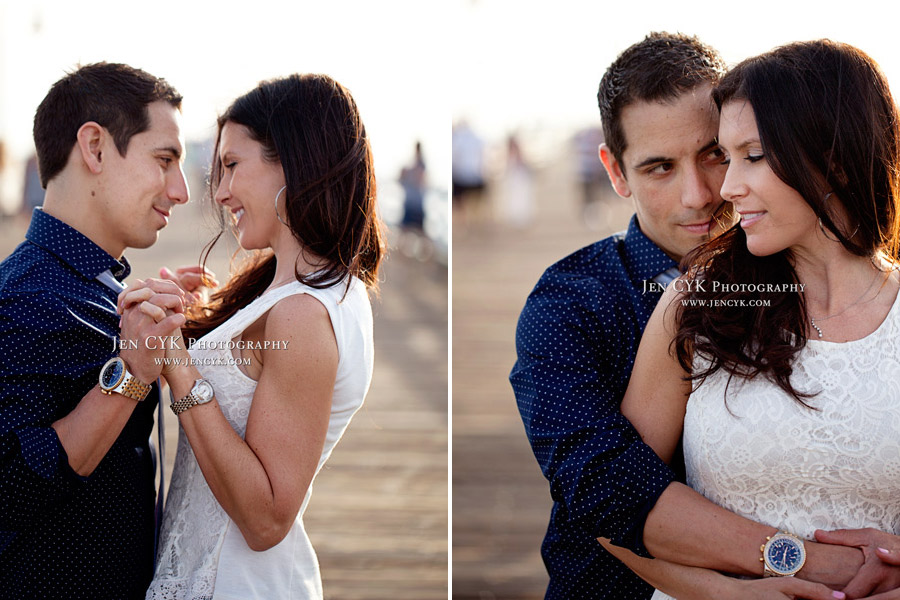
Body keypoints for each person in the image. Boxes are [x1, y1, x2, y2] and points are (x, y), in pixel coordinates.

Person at [510, 32, 880, 600]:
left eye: (717, 154)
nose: (704, 193)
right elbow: (605, 492)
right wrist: (761, 582)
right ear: (615, 171)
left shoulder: (818, 278)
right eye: (659, 168)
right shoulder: (570, 304)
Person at [619, 40, 900, 599]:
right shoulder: (692, 309)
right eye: (729, 155)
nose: (726, 188)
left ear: (834, 157)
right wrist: (728, 593)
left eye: (753, 155)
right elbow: (615, 506)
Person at [133, 73, 385, 599]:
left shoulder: (301, 313)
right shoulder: (302, 291)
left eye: (232, 165)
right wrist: (193, 322)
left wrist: (179, 364)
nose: (221, 192)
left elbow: (267, 520)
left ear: (292, 161)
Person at [0, 62, 190, 599]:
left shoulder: (95, 286)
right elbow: (8, 486)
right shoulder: (27, 296)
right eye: (164, 160)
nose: (181, 191)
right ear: (96, 148)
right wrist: (130, 374)